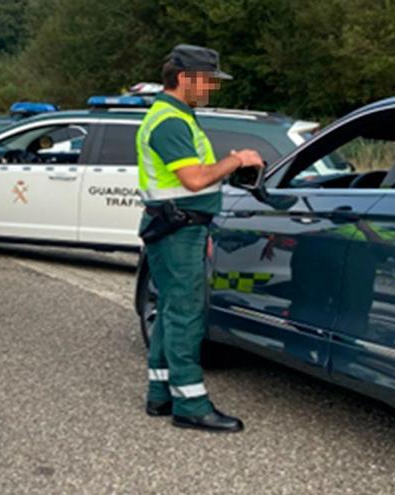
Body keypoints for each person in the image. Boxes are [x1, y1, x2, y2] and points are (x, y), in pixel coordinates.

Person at [137, 44, 264, 432]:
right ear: (183, 78)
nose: (211, 87)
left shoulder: (175, 116)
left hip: (179, 226)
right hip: (178, 229)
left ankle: (160, 395)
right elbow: (193, 178)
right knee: (186, 314)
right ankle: (191, 405)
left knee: (172, 311)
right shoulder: (171, 122)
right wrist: (236, 161)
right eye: (207, 80)